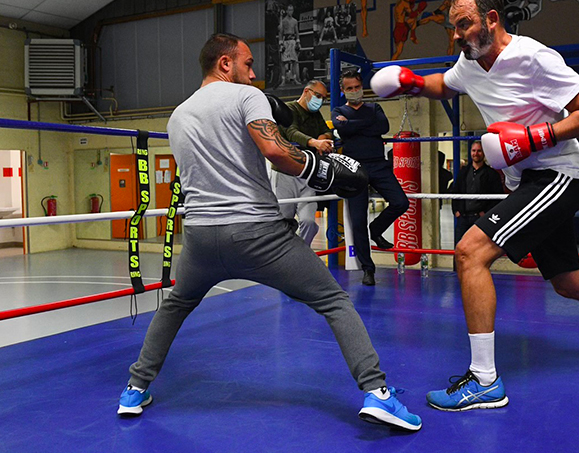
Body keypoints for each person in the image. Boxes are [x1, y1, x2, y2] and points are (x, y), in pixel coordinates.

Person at [369, 0, 579, 412]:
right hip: (527, 181)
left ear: (492, 20)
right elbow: (447, 84)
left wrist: (537, 136)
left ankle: (484, 381)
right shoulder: (471, 60)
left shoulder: (534, 58)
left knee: (469, 253)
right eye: (453, 28)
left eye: (464, 25)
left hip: (557, 175)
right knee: (568, 281)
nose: (457, 36)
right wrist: (413, 83)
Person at [117, 33, 421, 432]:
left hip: (199, 238)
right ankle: (377, 394)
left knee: (174, 306)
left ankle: (134, 389)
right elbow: (276, 151)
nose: (253, 72)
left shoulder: (177, 115)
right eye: (247, 63)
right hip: (256, 234)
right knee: (333, 300)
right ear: (225, 64)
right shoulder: (247, 98)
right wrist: (322, 169)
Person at [332, 69, 410, 286]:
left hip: (378, 165)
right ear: (343, 90)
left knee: (401, 202)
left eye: (357, 87)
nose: (354, 91)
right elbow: (341, 128)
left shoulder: (374, 107)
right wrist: (366, 126)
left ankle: (376, 229)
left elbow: (383, 126)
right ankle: (368, 269)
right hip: (353, 169)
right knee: (358, 222)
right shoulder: (338, 110)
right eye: (350, 88)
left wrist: (351, 125)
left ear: (361, 87)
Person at [271, 80, 335, 245]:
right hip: (284, 174)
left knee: (308, 222)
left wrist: (324, 138)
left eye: (323, 98)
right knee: (283, 223)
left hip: (307, 174)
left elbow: (327, 130)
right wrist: (315, 143)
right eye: (318, 96)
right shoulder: (289, 109)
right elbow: (291, 132)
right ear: (306, 91)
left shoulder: (316, 115)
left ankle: (299, 255)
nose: (320, 101)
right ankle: (281, 258)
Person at [450, 140, 504, 245]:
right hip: (463, 218)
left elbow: (497, 197)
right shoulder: (463, 172)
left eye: (479, 151)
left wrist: (486, 213)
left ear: (484, 153)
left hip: (480, 219)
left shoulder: (492, 174)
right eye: (473, 150)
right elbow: (455, 191)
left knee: (480, 249)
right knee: (460, 248)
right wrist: (456, 210)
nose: (476, 153)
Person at [279, 4, 301, 85]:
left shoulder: (295, 21)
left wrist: (298, 42)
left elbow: (297, 32)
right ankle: (283, 80)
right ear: (287, 11)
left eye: (291, 10)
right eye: (289, 10)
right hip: (285, 41)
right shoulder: (283, 21)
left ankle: (295, 78)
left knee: (294, 61)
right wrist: (281, 44)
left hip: (293, 41)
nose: (290, 12)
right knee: (283, 62)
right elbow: (281, 33)